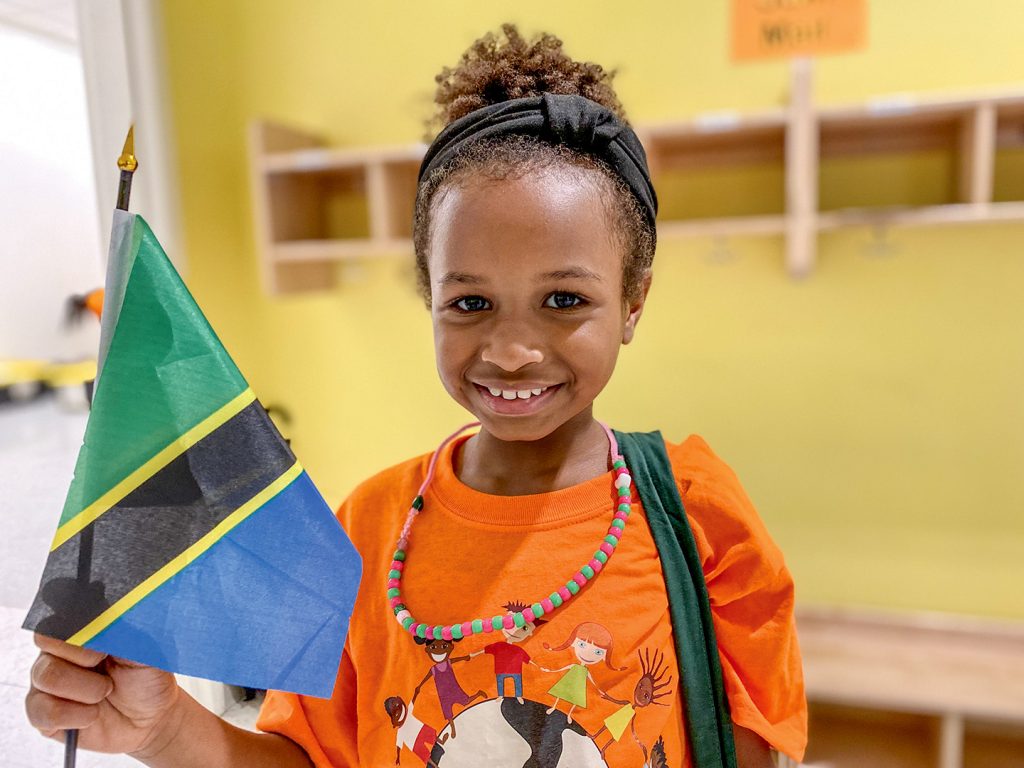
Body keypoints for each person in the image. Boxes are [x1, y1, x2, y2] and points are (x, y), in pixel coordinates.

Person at [25, 24, 807, 768]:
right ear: (429, 295)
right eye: (470, 303)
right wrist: (164, 730)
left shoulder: (695, 515)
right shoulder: (369, 529)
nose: (510, 350)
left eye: (564, 300)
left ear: (634, 300)